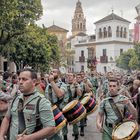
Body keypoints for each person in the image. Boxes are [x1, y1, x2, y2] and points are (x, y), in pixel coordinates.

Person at [0, 68, 55, 140]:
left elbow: (51, 128)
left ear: (34, 82)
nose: (20, 82)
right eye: (19, 79)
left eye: (24, 79)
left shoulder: (42, 101)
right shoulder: (15, 99)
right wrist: (1, 135)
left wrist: (28, 138)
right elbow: (7, 118)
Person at [45, 68, 68, 140]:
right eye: (51, 72)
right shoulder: (48, 85)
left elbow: (59, 94)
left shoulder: (63, 85)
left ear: (58, 74)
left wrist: (51, 81)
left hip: (60, 112)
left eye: (54, 72)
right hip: (50, 113)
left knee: (61, 133)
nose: (51, 73)